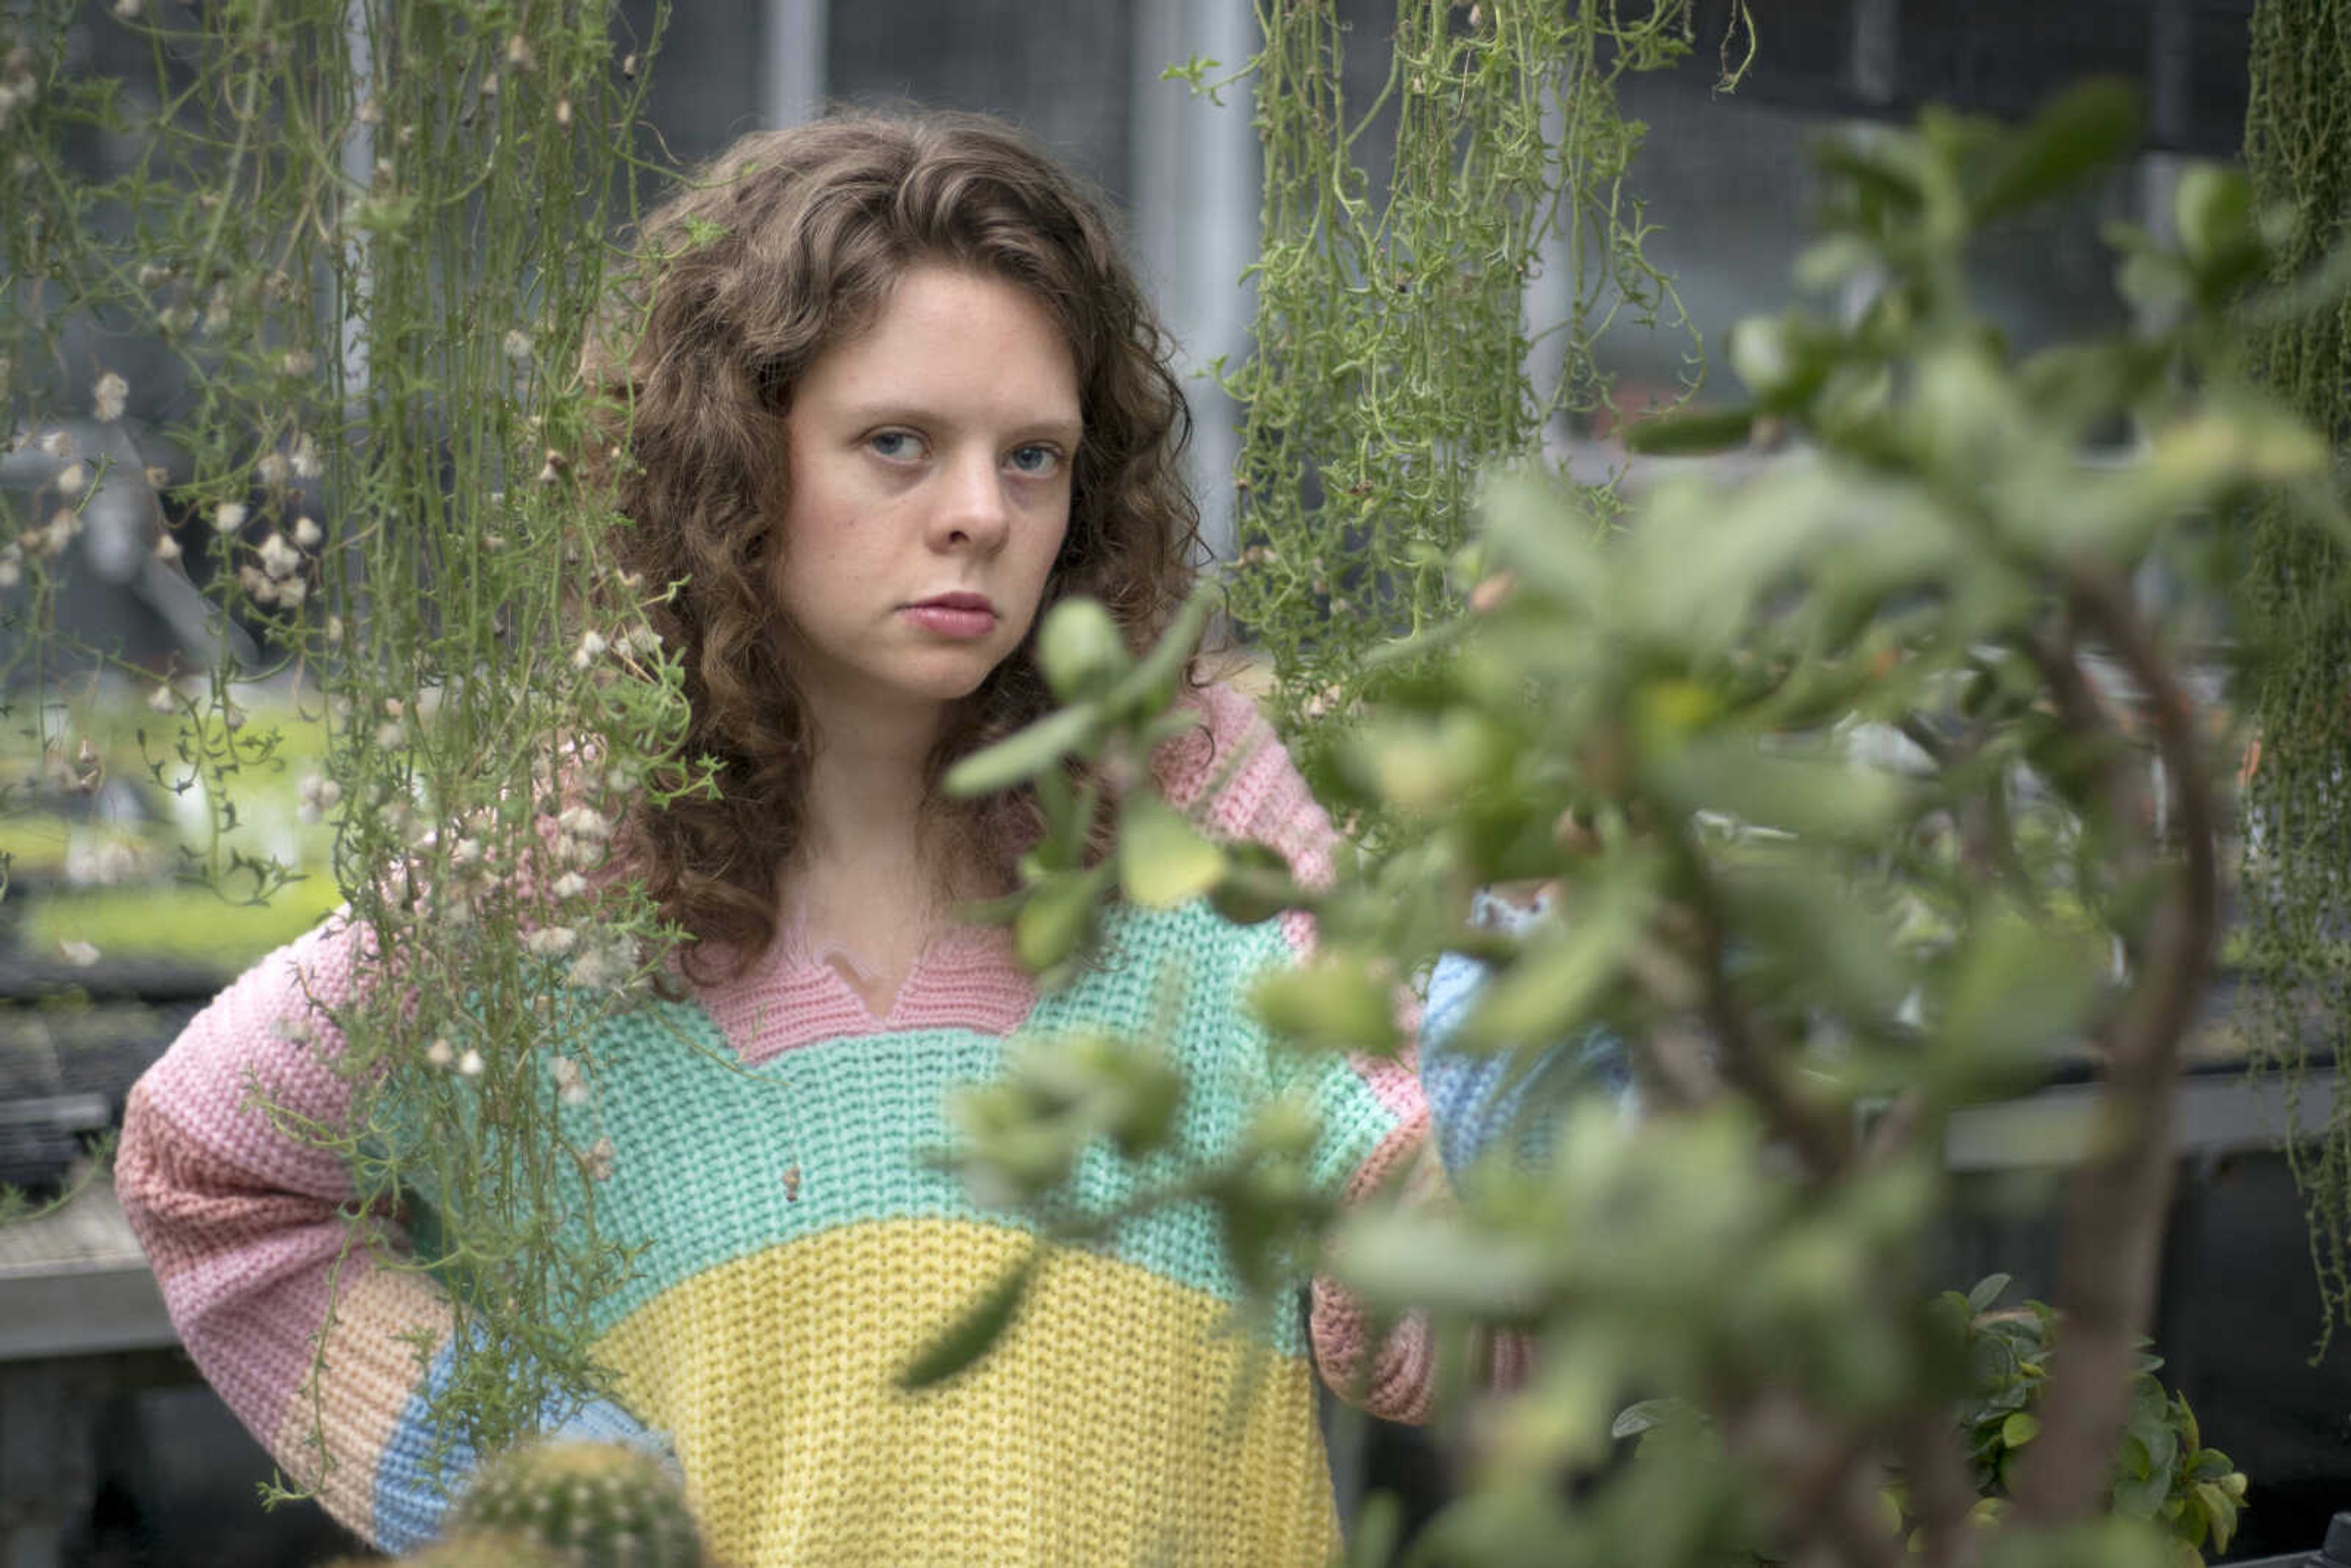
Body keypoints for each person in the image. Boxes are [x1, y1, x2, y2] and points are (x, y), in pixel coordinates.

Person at [116, 110, 1517, 1566]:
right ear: (728, 465)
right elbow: (209, 1179)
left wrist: (1528, 956)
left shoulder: (1188, 795)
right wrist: (523, 1466)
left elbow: (1426, 1324)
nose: (979, 514)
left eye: (1034, 457)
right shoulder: (557, 859)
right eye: (897, 445)